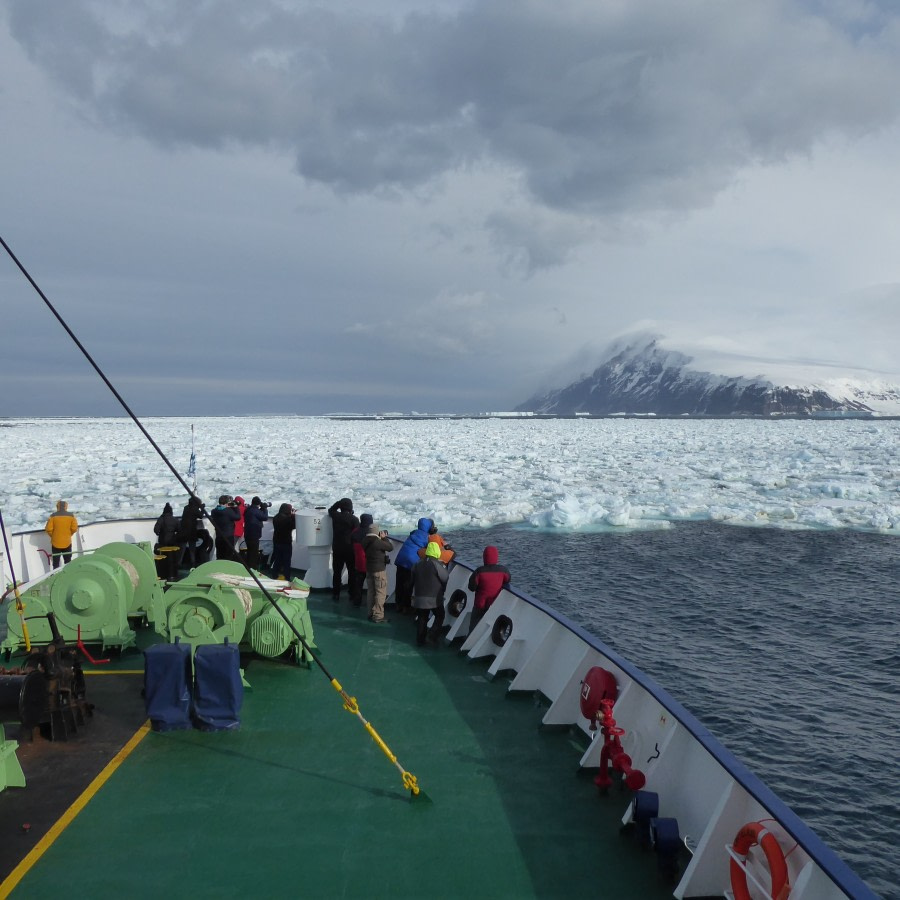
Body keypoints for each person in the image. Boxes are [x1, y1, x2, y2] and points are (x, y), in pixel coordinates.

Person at [393, 517, 433, 615]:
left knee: (399, 583)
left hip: (401, 559)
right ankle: (406, 607)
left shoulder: (413, 533)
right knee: (408, 585)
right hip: (411, 563)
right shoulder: (427, 538)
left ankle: (398, 605)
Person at [412, 541, 449, 647]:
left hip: (419, 597)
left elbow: (412, 578)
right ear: (437, 552)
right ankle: (432, 636)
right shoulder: (437, 564)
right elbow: (445, 577)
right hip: (434, 599)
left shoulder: (417, 563)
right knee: (440, 615)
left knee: (422, 617)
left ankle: (420, 640)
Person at [467, 546, 511, 634]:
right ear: (496, 557)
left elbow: (471, 587)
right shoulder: (503, 570)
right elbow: (508, 579)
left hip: (480, 604)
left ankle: (469, 640)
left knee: (473, 626)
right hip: (494, 605)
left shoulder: (479, 571)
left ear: (484, 557)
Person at [328, 498, 359, 602]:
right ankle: (352, 594)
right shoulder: (354, 519)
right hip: (350, 549)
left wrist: (339, 503)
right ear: (350, 507)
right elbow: (357, 533)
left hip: (337, 548)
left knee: (337, 572)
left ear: (341, 507)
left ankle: (336, 594)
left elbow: (331, 509)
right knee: (352, 572)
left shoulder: (335, 516)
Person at [362, 522, 393, 623]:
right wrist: (384, 538)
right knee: (380, 593)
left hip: (369, 569)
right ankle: (378, 615)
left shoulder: (365, 541)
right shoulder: (377, 542)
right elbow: (390, 547)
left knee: (371, 592)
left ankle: (370, 613)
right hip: (379, 570)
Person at [177, 496, 212, 569]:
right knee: (192, 548)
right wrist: (202, 508)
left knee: (182, 548)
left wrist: (199, 508)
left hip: (183, 530)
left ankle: (179, 563)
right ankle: (193, 563)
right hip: (191, 530)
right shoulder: (195, 509)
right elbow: (200, 516)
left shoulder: (186, 508)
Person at [45, 500, 78, 568]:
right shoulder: (71, 516)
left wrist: (53, 536)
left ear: (57, 507)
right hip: (67, 542)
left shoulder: (53, 516)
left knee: (56, 563)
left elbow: (48, 529)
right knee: (68, 561)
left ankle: (55, 575)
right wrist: (69, 535)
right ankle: (68, 575)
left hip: (55, 543)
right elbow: (74, 529)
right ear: (66, 507)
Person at [349, 513, 373, 607]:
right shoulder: (371, 534)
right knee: (372, 586)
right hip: (369, 563)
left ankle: (356, 601)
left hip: (358, 562)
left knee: (358, 584)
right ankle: (371, 604)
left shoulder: (355, 532)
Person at [153, 502, 180, 581]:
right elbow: (179, 529)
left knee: (164, 558)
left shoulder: (161, 519)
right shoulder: (175, 519)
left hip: (163, 542)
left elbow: (156, 530)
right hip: (172, 542)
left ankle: (164, 574)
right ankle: (172, 574)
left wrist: (159, 532)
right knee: (172, 558)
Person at [211, 495, 241, 561]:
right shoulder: (228, 511)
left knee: (219, 556)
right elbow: (238, 517)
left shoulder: (213, 511)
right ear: (227, 503)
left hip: (219, 537)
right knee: (228, 557)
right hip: (228, 537)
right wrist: (235, 507)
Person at [243, 496, 270, 571]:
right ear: (258, 504)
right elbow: (265, 517)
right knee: (253, 554)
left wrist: (261, 508)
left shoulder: (248, 509)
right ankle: (252, 569)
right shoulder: (255, 511)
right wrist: (265, 508)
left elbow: (258, 515)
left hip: (247, 534)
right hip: (254, 535)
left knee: (249, 552)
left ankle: (247, 568)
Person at [271, 502, 296, 581]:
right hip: (286, 542)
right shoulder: (287, 519)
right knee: (286, 561)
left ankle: (274, 575)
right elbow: (294, 526)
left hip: (277, 541)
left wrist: (291, 516)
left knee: (277, 559)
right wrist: (293, 516)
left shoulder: (275, 517)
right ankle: (287, 577)